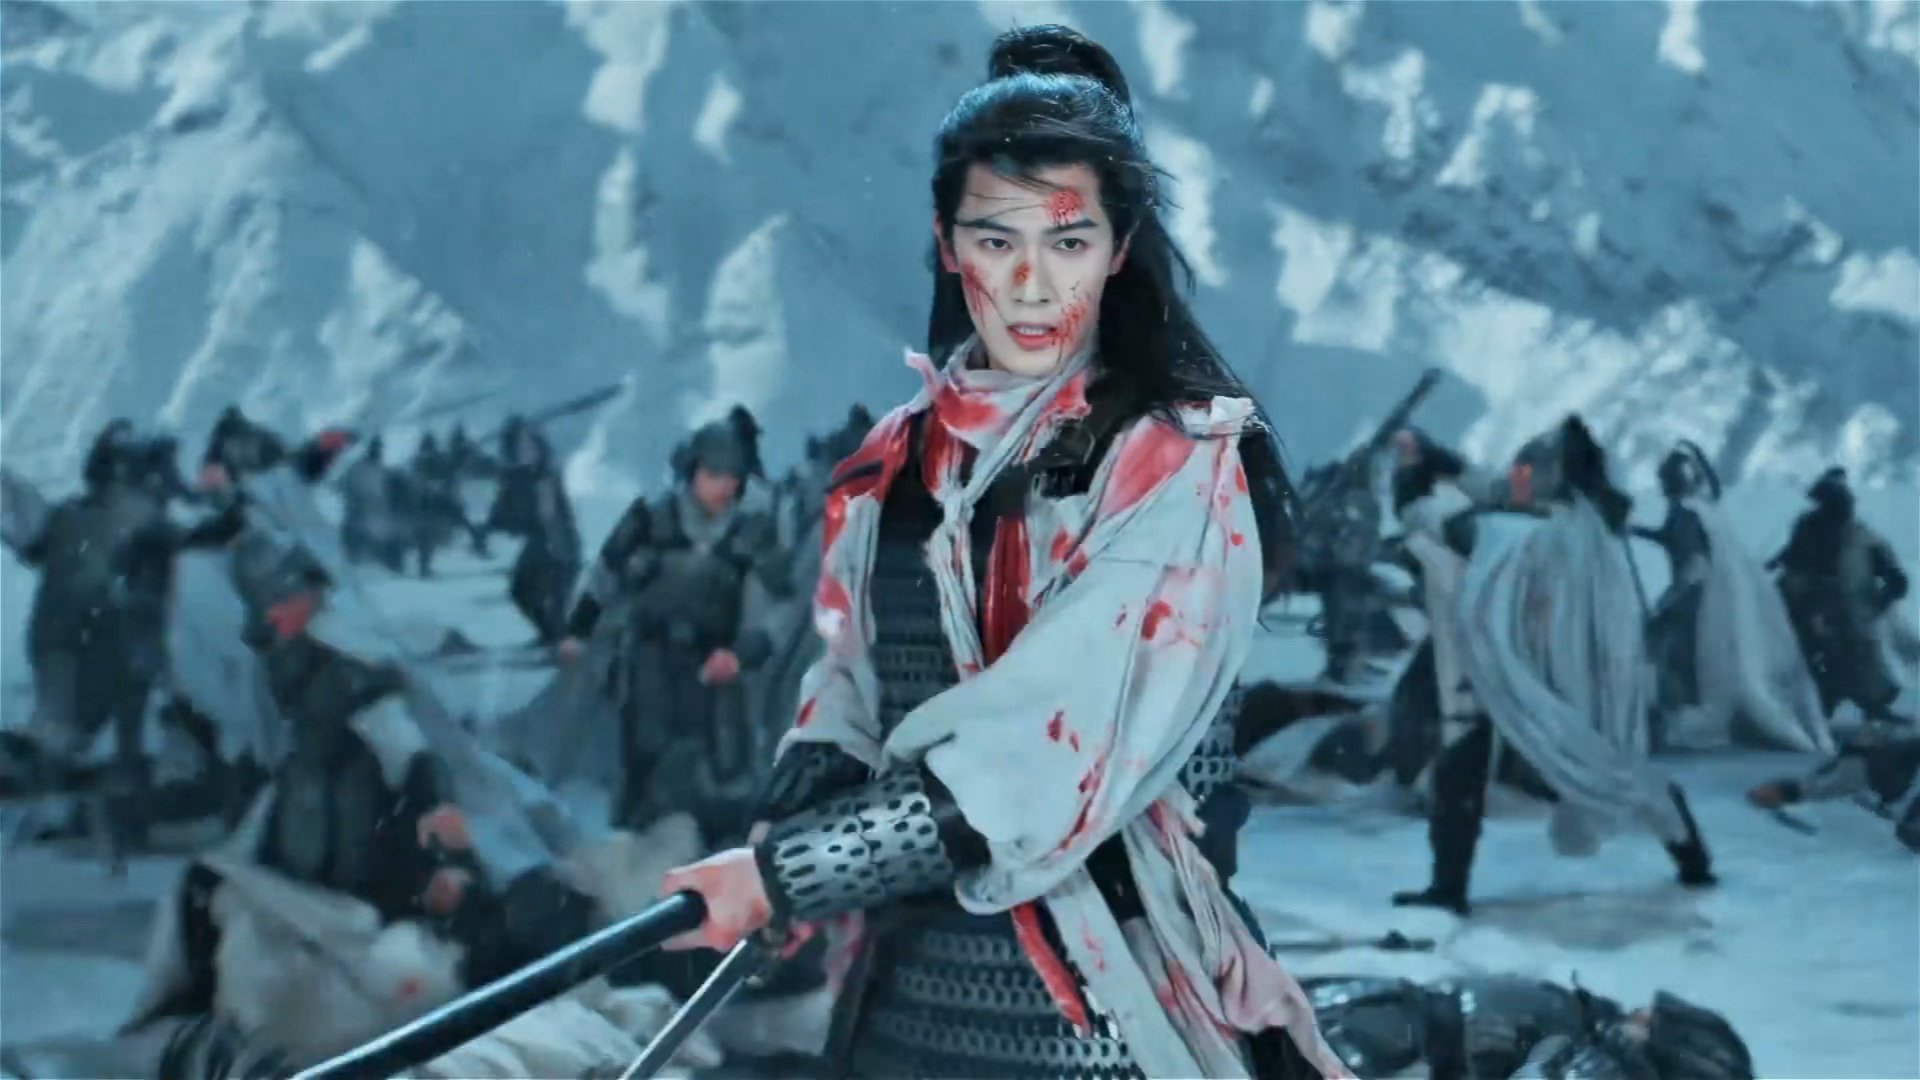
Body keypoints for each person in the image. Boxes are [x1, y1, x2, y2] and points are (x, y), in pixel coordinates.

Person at [655, 25, 1350, 1078]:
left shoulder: (1177, 465)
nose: (1030, 284)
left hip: (1107, 1000)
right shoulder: (898, 458)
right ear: (949, 242)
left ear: (1119, 247)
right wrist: (786, 827)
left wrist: (793, 872)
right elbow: (849, 682)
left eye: (1067, 242)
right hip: (906, 993)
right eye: (996, 238)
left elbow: (1043, 752)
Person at [1392, 417, 1715, 916]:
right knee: (1475, 765)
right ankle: (1448, 885)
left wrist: (1412, 489)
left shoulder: (1533, 534)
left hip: (1534, 678)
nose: (1515, 476)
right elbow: (1498, 496)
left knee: (1598, 768)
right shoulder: (1580, 527)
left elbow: (1450, 526)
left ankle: (1691, 855)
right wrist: (1447, 464)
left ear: (1553, 476)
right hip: (1535, 673)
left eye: (1527, 469)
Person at [553, 406, 793, 848]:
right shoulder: (649, 520)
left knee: (721, 773)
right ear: (692, 471)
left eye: (733, 476)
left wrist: (742, 654)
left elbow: (780, 608)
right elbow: (604, 576)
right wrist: (578, 630)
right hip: (650, 663)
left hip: (715, 669)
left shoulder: (752, 533)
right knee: (646, 765)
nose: (725, 486)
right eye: (714, 474)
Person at [1638, 441, 1830, 752]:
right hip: (1720, 607)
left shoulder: (1686, 514)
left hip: (1699, 609)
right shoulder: (1705, 510)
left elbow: (1696, 566)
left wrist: (1666, 604)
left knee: (1679, 666)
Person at [1769, 467, 1912, 724]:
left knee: (1857, 666)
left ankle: (1866, 708)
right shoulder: (1810, 530)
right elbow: (1792, 566)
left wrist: (1877, 604)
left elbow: (1898, 581)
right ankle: (1828, 707)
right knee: (1817, 665)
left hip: (1851, 623)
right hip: (1816, 619)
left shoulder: (1861, 537)